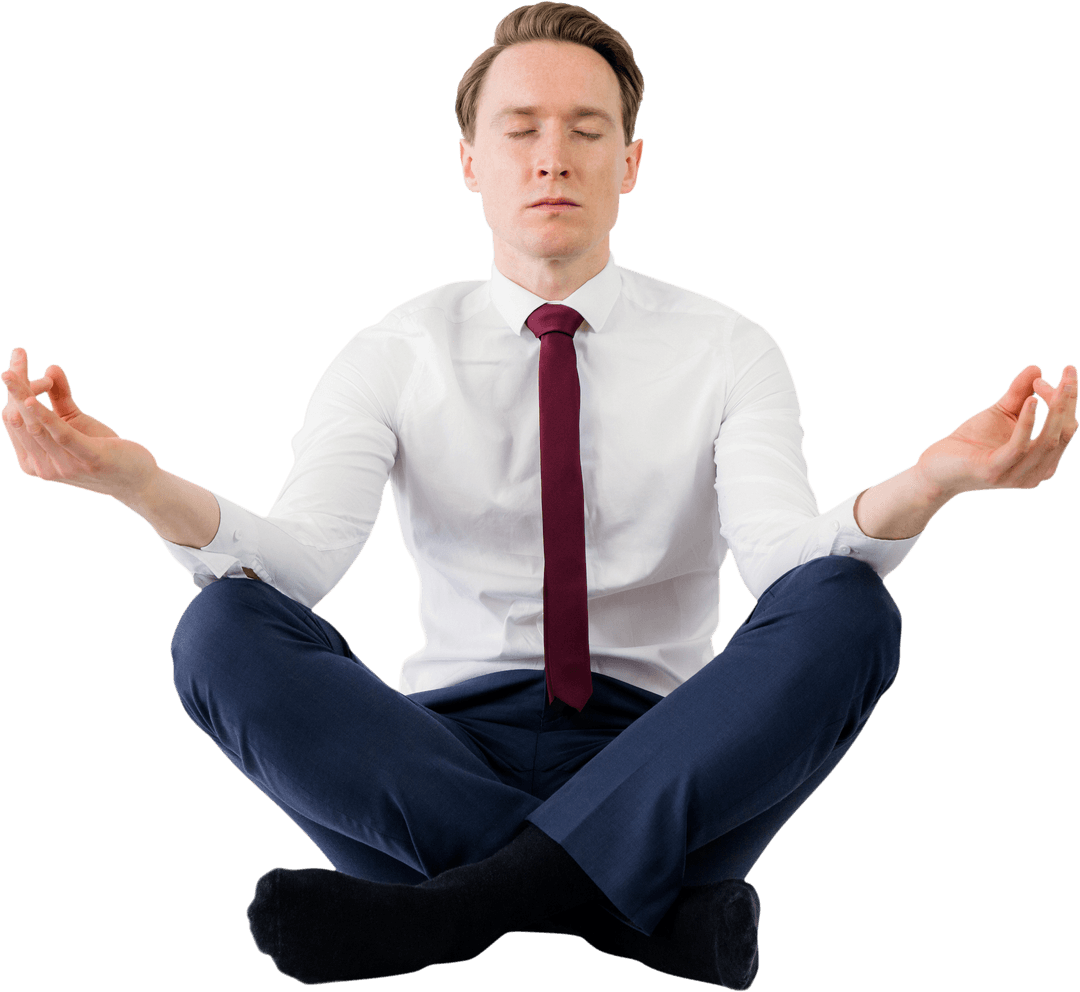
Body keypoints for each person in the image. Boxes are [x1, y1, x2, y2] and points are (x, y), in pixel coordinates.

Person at [2, 2, 1075, 988]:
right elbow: (297, 566)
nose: (553, 155)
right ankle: (630, 911)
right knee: (220, 625)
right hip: (428, 763)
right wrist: (134, 483)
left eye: (586, 128)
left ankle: (457, 907)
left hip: (673, 753)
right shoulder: (395, 349)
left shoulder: (730, 347)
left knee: (847, 605)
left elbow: (785, 565)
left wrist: (932, 482)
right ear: (470, 161)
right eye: (519, 129)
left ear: (632, 162)